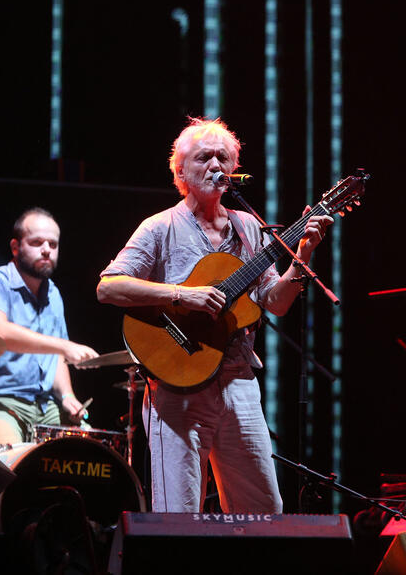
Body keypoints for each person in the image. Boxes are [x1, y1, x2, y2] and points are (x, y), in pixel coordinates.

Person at [96, 117, 332, 513]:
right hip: (176, 388)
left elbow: (275, 302)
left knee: (263, 512)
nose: (215, 166)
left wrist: (301, 257)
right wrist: (181, 296)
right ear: (181, 171)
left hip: (239, 382)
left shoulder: (249, 228)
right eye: (204, 158)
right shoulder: (159, 227)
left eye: (223, 158)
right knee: (179, 516)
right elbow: (109, 286)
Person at [0, 208, 99, 449]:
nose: (46, 249)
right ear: (15, 247)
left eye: (53, 244)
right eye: (36, 242)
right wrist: (65, 345)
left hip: (44, 405)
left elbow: (57, 359)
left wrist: (68, 396)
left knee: (90, 450)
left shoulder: (53, 292)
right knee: (12, 459)